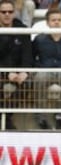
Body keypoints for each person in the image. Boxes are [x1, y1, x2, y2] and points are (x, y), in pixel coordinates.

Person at [0, 0, 33, 130]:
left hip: (18, 72)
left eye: (10, 12)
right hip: (1, 71)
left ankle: (6, 116)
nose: (7, 14)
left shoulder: (23, 30)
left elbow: (28, 55)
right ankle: (5, 120)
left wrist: (24, 72)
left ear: (14, 13)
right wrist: (7, 73)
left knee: (29, 84)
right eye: (3, 12)